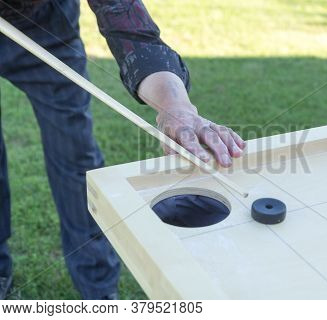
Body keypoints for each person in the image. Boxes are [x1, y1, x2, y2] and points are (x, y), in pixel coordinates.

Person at [0, 0, 245, 300]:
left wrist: (175, 105)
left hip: (46, 26)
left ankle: (99, 293)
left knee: (76, 160)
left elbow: (122, 13)